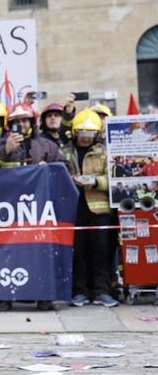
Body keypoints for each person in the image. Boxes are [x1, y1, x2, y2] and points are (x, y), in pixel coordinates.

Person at [0, 103, 61, 311]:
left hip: (37, 211)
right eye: (17, 122)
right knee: (6, 255)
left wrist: (49, 171)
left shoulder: (46, 146)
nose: (21, 124)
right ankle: (4, 298)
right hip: (8, 210)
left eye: (25, 120)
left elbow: (63, 169)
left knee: (39, 255)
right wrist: (5, 150)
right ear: (10, 125)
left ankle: (43, 297)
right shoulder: (0, 143)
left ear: (32, 122)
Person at [68, 110, 117, 308]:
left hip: (99, 211)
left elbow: (114, 179)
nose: (85, 137)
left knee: (101, 251)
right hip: (74, 208)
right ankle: (79, 292)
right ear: (74, 132)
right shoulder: (66, 152)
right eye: (81, 132)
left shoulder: (105, 153)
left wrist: (95, 181)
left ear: (97, 134)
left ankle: (102, 291)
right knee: (78, 252)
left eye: (89, 133)